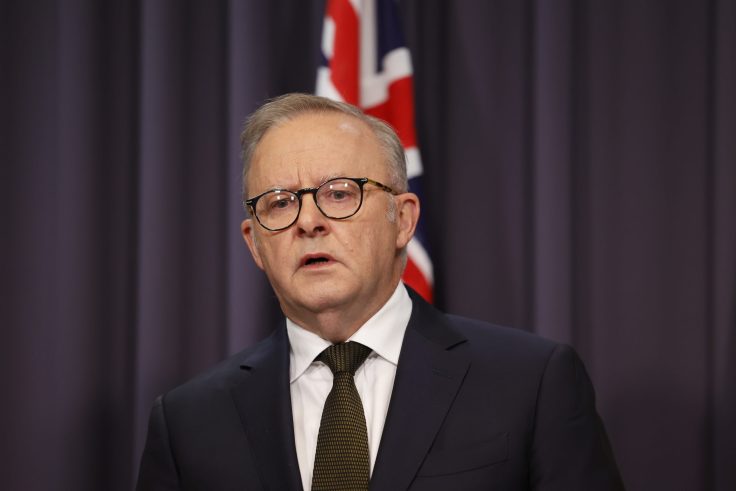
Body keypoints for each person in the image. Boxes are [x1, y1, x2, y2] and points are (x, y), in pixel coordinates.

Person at [137, 93, 624, 490]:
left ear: (403, 219)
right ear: (255, 244)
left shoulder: (531, 383)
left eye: (339, 193)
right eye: (280, 203)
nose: (308, 221)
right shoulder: (188, 421)